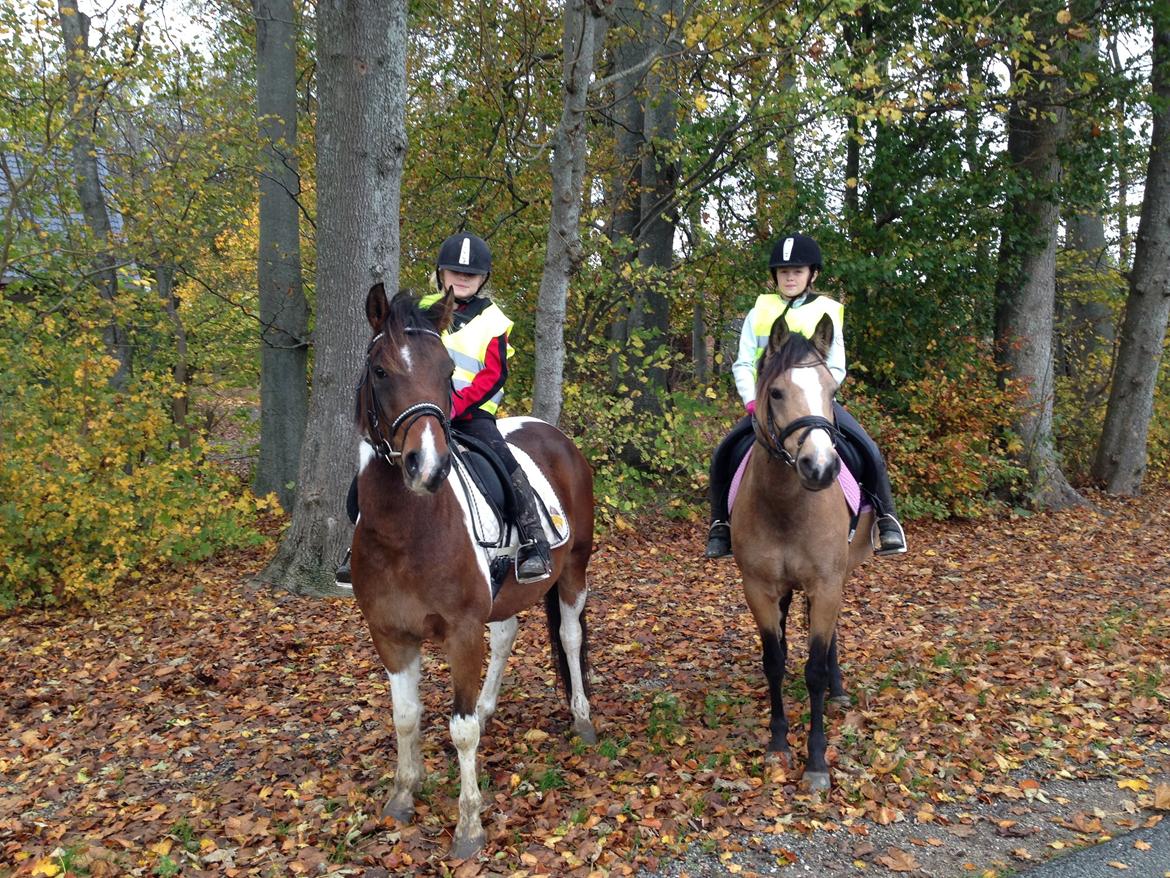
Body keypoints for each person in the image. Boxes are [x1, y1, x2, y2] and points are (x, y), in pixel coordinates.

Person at [337, 232, 552, 586]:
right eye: (454, 271)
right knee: (369, 475)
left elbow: (494, 374)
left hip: (472, 415)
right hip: (419, 413)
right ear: (440, 273)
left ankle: (533, 541)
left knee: (505, 463)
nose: (462, 278)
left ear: (483, 279)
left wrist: (454, 407)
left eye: (471, 274)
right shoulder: (420, 311)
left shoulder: (494, 320)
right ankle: (356, 546)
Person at [704, 232, 907, 559]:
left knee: (868, 449)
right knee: (724, 451)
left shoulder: (827, 311)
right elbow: (743, 362)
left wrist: (819, 395)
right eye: (783, 272)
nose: (789, 277)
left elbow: (836, 367)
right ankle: (720, 526)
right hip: (771, 405)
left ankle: (887, 520)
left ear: (812, 274)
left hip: (817, 403)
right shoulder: (759, 311)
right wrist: (752, 401)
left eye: (797, 271)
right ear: (775, 276)